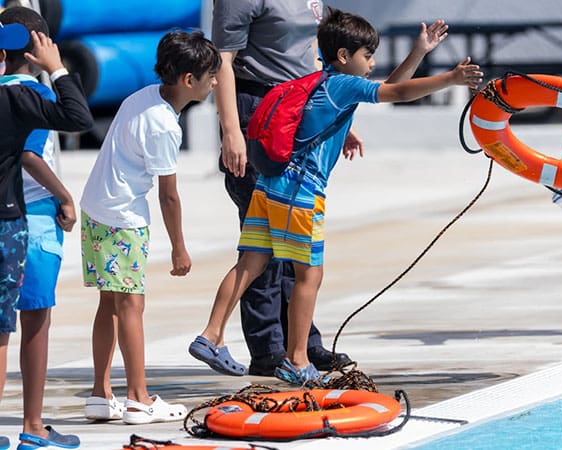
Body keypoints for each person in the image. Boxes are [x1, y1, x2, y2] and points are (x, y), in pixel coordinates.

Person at [190, 7, 482, 384]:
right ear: (344, 56)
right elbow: (397, 92)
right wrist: (452, 78)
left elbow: (387, 87)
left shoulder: (318, 80)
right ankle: (297, 360)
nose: (372, 63)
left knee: (250, 262)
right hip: (301, 193)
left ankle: (211, 335)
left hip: (270, 185)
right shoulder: (344, 86)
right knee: (309, 274)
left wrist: (418, 52)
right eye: (367, 56)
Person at [80, 30, 219, 424]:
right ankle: (139, 397)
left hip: (97, 208)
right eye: (210, 76)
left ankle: (100, 394)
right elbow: (169, 195)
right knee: (131, 305)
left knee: (110, 302)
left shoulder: (141, 97)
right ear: (189, 80)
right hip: (122, 218)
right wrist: (179, 246)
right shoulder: (164, 126)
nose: (213, 83)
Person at [210, 0, 354, 377]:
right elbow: (222, 61)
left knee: (296, 236)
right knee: (264, 242)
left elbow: (312, 57)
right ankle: (268, 348)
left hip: (299, 109)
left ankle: (301, 345)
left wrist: (332, 117)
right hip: (258, 109)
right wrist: (231, 132)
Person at [0, 25, 93, 450]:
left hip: (19, 216)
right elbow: (31, 152)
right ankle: (33, 425)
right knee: (34, 325)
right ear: (38, 47)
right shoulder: (31, 96)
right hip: (29, 218)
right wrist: (64, 195)